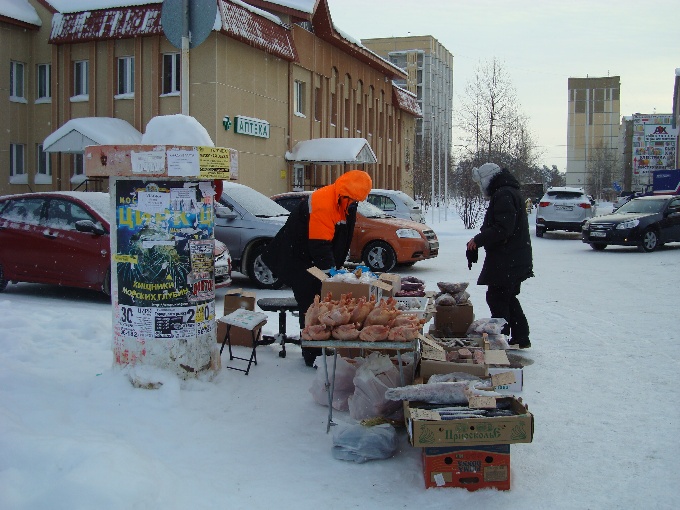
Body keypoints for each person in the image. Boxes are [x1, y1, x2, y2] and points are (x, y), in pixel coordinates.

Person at [261, 170, 373, 366]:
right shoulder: (323, 203)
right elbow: (319, 244)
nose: (356, 204)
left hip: (312, 258)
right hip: (296, 257)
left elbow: (341, 238)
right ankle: (311, 355)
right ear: (344, 194)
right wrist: (330, 269)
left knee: (323, 302)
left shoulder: (347, 203)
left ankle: (319, 346)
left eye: (358, 200)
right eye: (354, 200)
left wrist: (337, 266)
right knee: (310, 306)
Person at [466, 163, 534, 349]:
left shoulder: (504, 194)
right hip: (513, 257)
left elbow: (503, 228)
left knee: (497, 298)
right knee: (507, 297)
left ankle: (500, 339)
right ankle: (521, 337)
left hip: (508, 259)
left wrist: (479, 239)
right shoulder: (508, 192)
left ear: (488, 178)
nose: (481, 187)